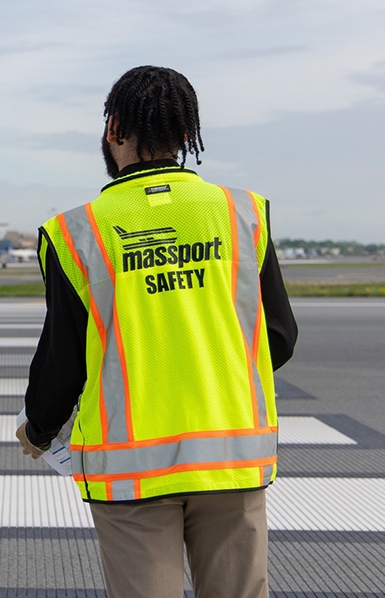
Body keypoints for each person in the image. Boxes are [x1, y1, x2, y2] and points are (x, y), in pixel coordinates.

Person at [16, 66, 298, 598]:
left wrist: (38, 428)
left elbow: (65, 361)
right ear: (188, 135)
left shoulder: (76, 232)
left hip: (131, 472)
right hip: (232, 458)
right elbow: (278, 335)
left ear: (113, 127)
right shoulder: (244, 214)